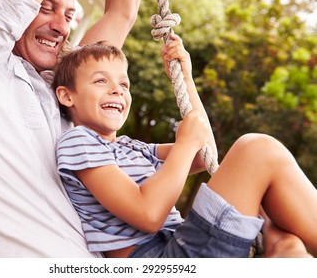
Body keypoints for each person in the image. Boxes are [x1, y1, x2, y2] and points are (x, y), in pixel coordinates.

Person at [52, 35, 317, 258]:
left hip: (181, 244)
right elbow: (148, 214)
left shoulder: (130, 147)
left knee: (287, 242)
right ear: (67, 95)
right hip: (163, 258)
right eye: (101, 81)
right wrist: (184, 144)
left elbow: (204, 155)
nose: (117, 90)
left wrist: (186, 80)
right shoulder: (79, 141)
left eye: (123, 83)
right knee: (257, 151)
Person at [0, 0, 140, 257]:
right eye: (45, 8)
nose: (61, 27)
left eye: (69, 16)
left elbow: (121, 13)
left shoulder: (64, 92)